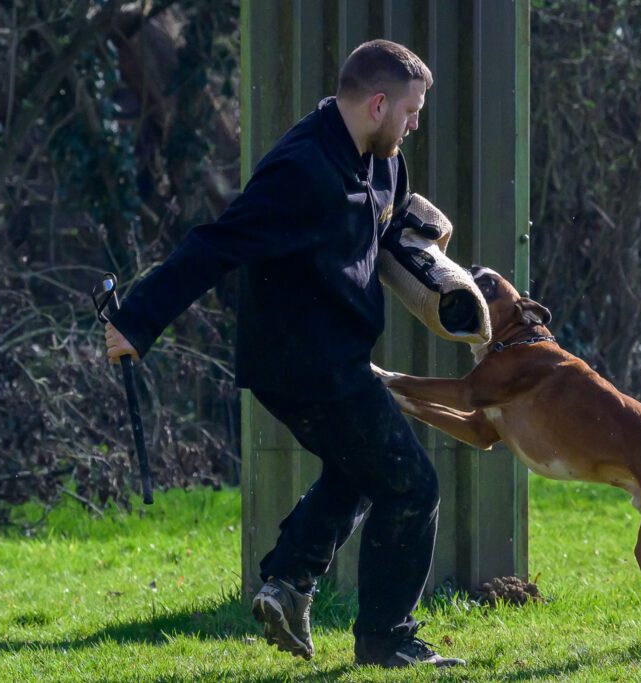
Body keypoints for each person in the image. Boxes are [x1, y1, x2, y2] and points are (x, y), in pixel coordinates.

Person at [103, 39, 465, 669]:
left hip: (339, 357)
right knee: (411, 486)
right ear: (378, 103)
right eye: (410, 112)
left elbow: (386, 222)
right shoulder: (299, 169)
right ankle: (386, 638)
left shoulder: (383, 162)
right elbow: (217, 243)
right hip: (303, 365)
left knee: (359, 470)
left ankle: (289, 583)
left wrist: (431, 249)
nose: (414, 125)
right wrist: (136, 320)